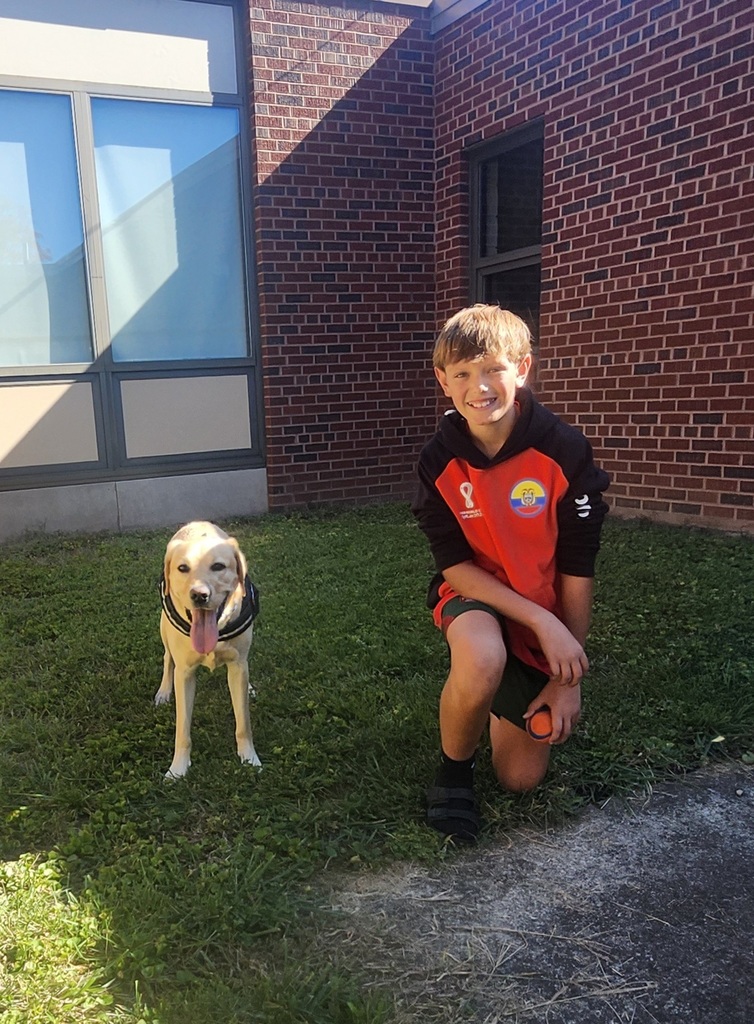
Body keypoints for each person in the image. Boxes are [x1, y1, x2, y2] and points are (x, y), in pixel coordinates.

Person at [412, 305, 610, 842]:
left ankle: (497, 694)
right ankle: (453, 772)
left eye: (492, 369)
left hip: (538, 611)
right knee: (482, 654)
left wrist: (563, 680)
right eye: (462, 374)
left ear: (522, 367)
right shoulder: (438, 461)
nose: (480, 387)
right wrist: (544, 627)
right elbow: (453, 565)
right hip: (471, 592)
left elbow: (576, 567)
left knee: (520, 779)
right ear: (444, 382)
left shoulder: (564, 450)